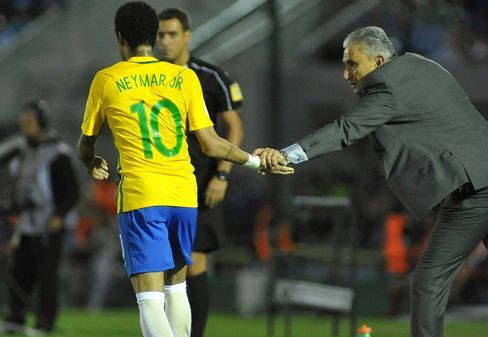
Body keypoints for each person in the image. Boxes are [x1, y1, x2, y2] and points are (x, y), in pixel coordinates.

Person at [256, 26, 488, 337]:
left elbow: (345, 130)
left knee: (428, 282)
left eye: (352, 64)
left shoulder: (386, 88)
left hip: (477, 188)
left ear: (379, 60)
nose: (346, 75)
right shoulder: (420, 65)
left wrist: (286, 155)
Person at [75, 2, 291, 337]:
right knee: (177, 288)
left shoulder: (106, 79)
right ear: (153, 37)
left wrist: (90, 161)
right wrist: (253, 161)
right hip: (184, 195)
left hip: (142, 197)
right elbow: (212, 142)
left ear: (121, 39)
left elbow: (85, 143)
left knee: (149, 298)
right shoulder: (183, 77)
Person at [157, 8, 244, 336]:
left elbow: (234, 128)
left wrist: (222, 175)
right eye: (161, 35)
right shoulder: (151, 77)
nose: (165, 41)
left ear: (187, 36)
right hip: (162, 179)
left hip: (201, 180)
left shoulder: (210, 76)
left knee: (194, 260)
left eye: (172, 34)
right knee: (165, 264)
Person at [4, 100, 80, 333]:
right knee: (19, 271)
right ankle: (16, 318)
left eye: (29, 123)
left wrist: (59, 215)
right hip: (26, 224)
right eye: (23, 123)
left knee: (47, 276)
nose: (25, 127)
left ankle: (45, 322)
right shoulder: (22, 152)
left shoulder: (58, 154)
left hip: (50, 225)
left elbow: (72, 192)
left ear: (42, 123)